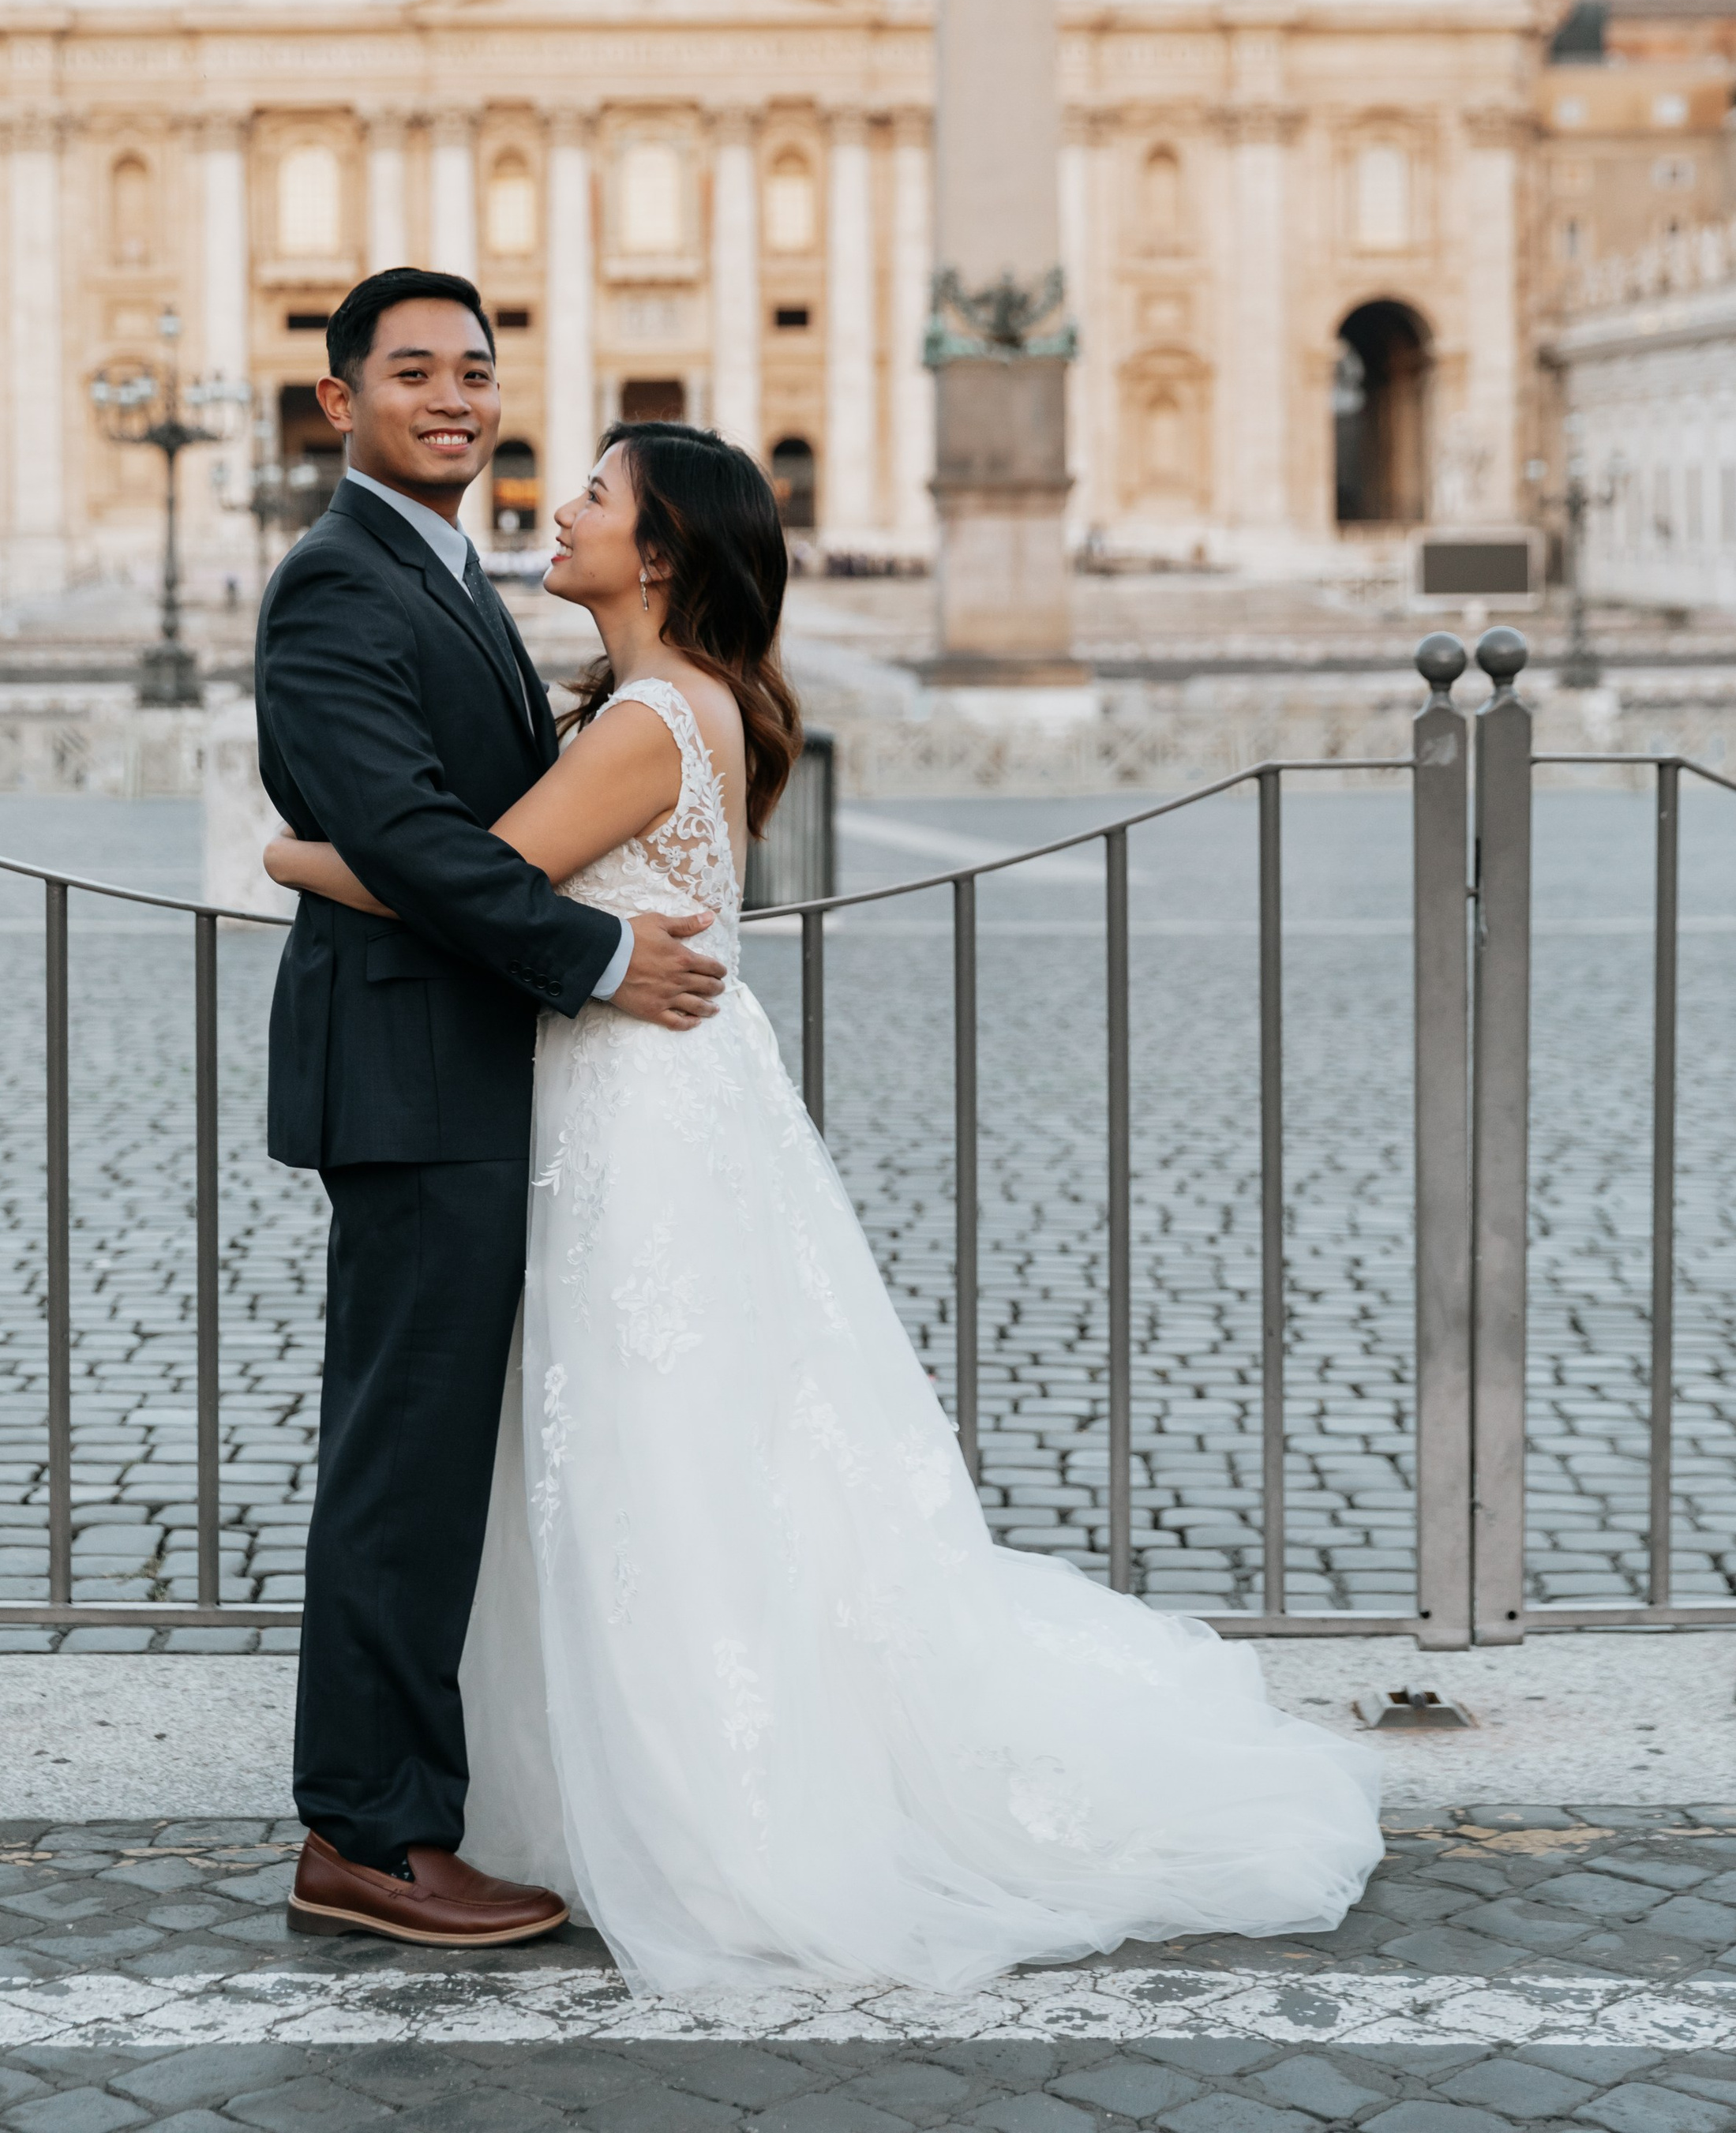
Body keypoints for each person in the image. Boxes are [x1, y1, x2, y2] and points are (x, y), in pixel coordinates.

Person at [267, 407, 1384, 1995]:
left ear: (654, 553)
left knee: (651, 1455)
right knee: (692, 1454)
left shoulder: (650, 720)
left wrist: (297, 854)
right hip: (661, 1103)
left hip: (631, 1119)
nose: (556, 504)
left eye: (592, 492)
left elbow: (471, 880)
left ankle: (700, 1800)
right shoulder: (674, 704)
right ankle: (643, 1771)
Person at [254, 269, 727, 1955]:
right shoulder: (334, 586)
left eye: (475, 368)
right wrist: (597, 956)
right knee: (404, 1463)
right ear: (339, 401)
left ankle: (403, 1807)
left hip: (456, 1065)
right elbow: (418, 843)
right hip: (410, 1077)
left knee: (437, 1457)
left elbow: (431, 839)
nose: (454, 396)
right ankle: (366, 1834)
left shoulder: (438, 570)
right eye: (412, 372)